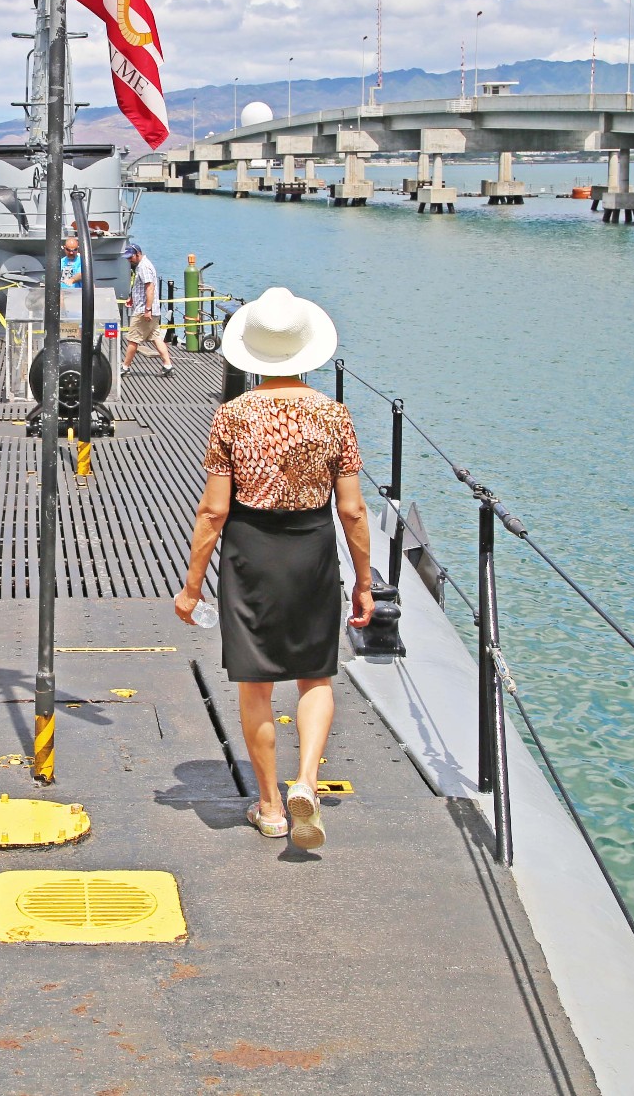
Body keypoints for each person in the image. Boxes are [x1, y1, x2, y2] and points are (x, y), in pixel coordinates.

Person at [172, 287, 373, 850]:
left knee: (256, 681)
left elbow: (213, 510)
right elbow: (353, 509)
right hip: (311, 546)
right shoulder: (335, 417)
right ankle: (306, 779)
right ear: (307, 350)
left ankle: (270, 806)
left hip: (251, 548)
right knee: (316, 673)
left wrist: (192, 588)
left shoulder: (232, 416)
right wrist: (363, 583)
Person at [119, 242, 173, 377]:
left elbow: (150, 288)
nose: (129, 260)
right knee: (156, 337)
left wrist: (147, 309)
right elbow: (141, 287)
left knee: (133, 339)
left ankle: (125, 367)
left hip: (144, 310)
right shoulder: (140, 266)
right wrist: (132, 297)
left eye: (130, 257)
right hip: (150, 309)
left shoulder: (144, 267)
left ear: (138, 254)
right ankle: (168, 366)